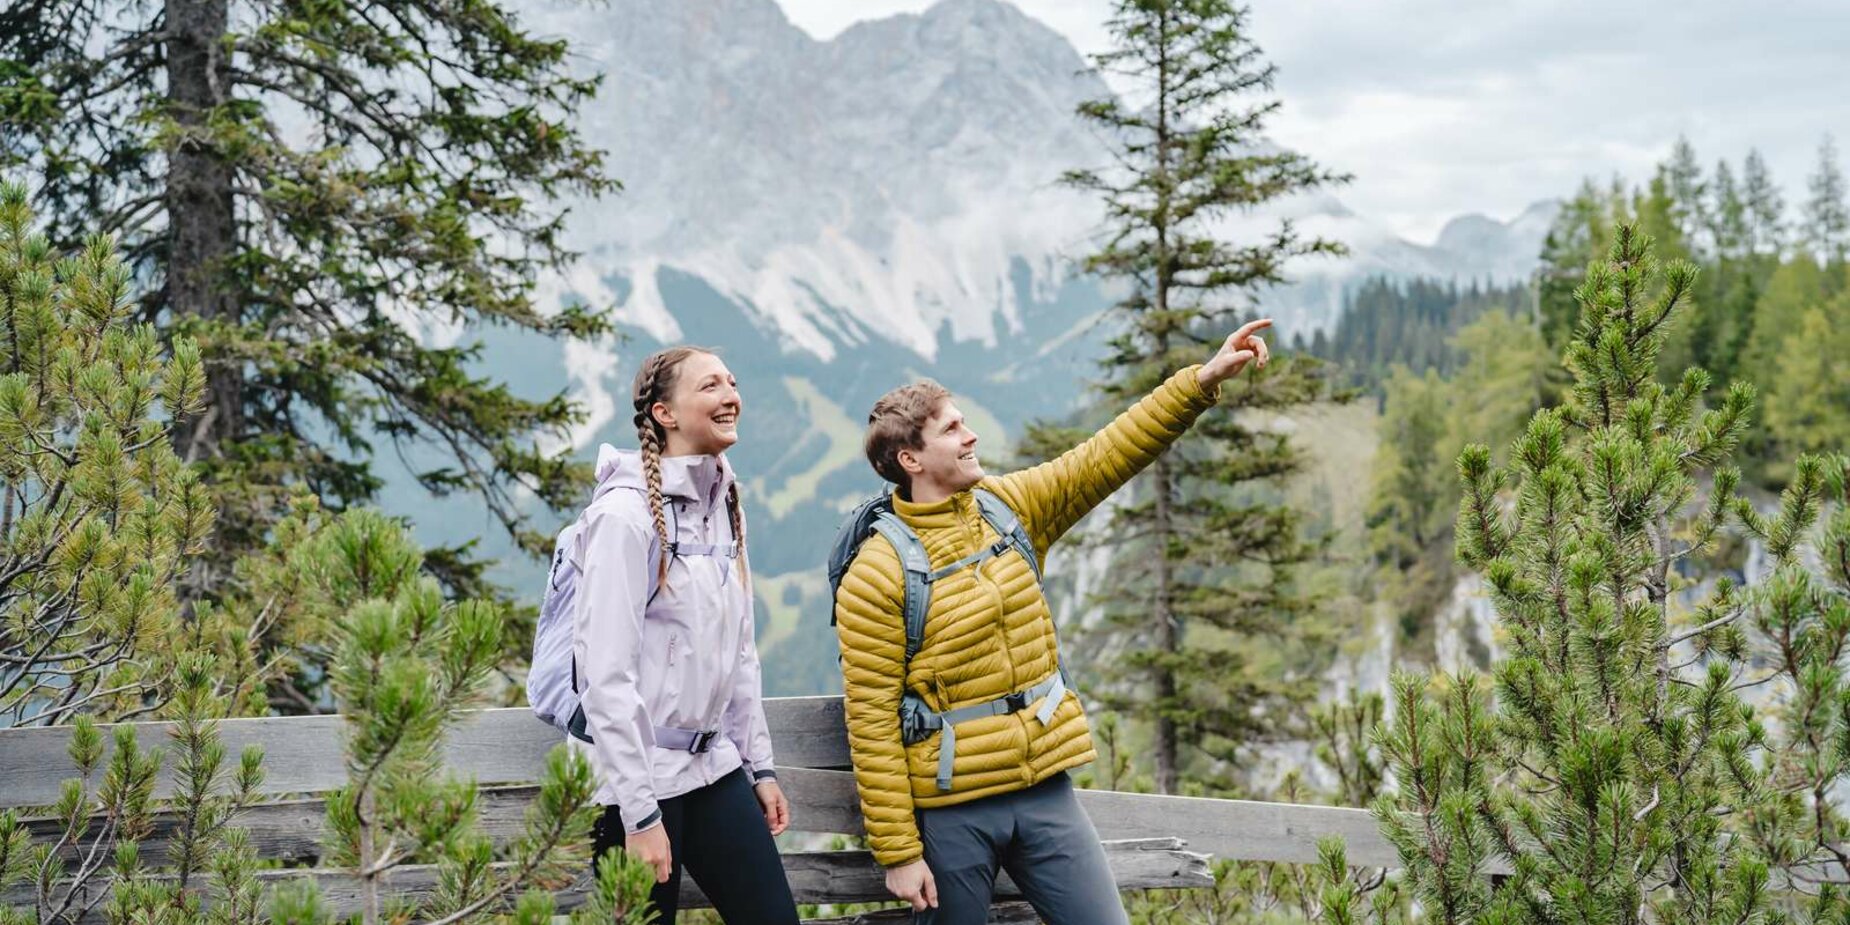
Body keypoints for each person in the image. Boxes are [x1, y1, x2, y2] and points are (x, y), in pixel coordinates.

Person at [835, 320, 1273, 924]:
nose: (972, 435)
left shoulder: (1008, 508)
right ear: (910, 458)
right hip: (951, 810)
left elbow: (1106, 455)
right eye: (953, 428)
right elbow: (872, 720)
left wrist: (1200, 382)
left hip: (1046, 794)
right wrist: (899, 853)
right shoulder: (877, 572)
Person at [570, 346, 799, 923]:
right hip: (634, 782)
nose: (731, 396)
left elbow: (738, 653)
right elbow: (604, 678)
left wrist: (760, 767)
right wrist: (639, 816)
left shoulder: (721, 502)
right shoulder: (624, 518)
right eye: (710, 386)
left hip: (713, 767)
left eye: (733, 381)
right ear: (665, 414)